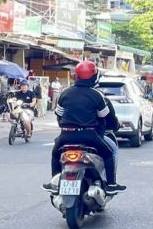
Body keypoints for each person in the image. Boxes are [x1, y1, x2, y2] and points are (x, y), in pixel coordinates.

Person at [44, 61, 126, 194]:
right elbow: (105, 117)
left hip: (66, 136)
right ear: (94, 76)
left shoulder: (65, 93)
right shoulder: (97, 95)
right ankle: (111, 184)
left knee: (55, 154)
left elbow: (59, 115)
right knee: (109, 153)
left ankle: (55, 181)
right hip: (89, 136)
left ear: (76, 76)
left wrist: (67, 125)